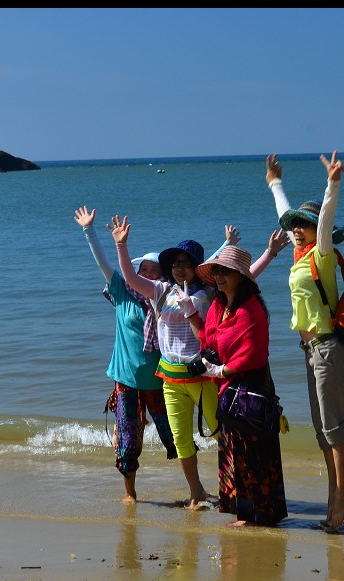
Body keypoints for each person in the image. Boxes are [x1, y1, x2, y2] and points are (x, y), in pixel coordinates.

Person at [109, 215, 287, 509]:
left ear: (197, 267)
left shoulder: (211, 293)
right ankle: (197, 492)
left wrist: (269, 253)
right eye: (175, 263)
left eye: (186, 262)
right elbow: (130, 278)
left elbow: (247, 274)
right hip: (170, 375)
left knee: (223, 434)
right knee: (181, 440)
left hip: (204, 374)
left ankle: (231, 489)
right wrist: (121, 246)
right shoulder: (160, 290)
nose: (180, 267)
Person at [265, 151, 344, 531]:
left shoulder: (323, 256)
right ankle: (333, 494)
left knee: (335, 428)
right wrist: (275, 183)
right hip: (309, 351)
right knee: (322, 432)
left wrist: (332, 185)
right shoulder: (299, 258)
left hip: (328, 348)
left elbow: (325, 223)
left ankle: (342, 493)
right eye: (296, 225)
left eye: (306, 225)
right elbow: (285, 215)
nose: (298, 230)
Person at [74, 206, 177, 504]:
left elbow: (202, 275)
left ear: (162, 277)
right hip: (127, 381)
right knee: (129, 440)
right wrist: (89, 231)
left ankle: (196, 491)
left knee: (175, 436)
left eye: (154, 271)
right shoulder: (122, 293)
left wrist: (228, 246)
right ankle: (130, 494)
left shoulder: (169, 300)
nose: (147, 274)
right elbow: (104, 264)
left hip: (160, 379)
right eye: (143, 269)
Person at [197, 244, 288, 527]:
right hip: (229, 386)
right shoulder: (218, 305)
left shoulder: (250, 309)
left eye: (226, 272)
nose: (220, 277)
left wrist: (222, 369)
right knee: (234, 449)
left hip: (251, 386)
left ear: (241, 276)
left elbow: (253, 354)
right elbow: (210, 341)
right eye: (217, 271)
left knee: (254, 451)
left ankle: (260, 515)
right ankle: (245, 513)